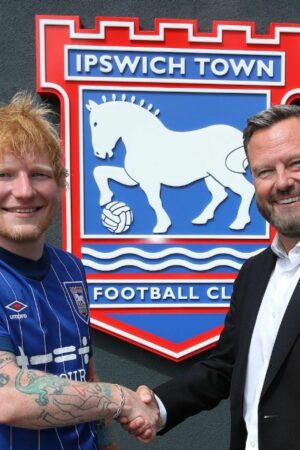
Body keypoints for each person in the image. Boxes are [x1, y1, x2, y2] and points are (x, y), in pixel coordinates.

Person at [121, 103, 300, 450]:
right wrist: (157, 408)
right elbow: (227, 366)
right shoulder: (255, 273)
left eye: (296, 164)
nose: (282, 182)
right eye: (265, 171)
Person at [0, 92, 159, 450]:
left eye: (39, 174)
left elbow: (82, 370)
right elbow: (7, 396)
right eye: (4, 174)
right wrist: (120, 398)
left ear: (59, 185)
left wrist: (108, 442)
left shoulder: (70, 269)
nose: (23, 191)